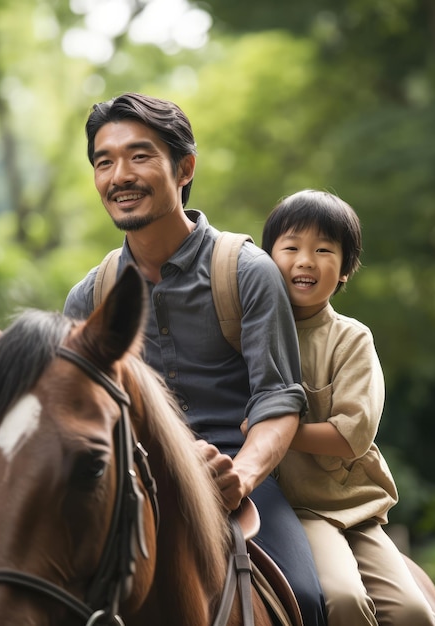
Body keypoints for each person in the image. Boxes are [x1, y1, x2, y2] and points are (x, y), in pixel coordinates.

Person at [63, 93, 327, 624]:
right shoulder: (88, 300)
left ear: (184, 168)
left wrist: (242, 475)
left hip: (239, 480)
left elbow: (278, 400)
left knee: (309, 597)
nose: (119, 175)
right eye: (104, 161)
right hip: (134, 489)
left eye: (140, 156)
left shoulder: (248, 271)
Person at [261, 189, 435, 626]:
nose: (306, 260)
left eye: (324, 250)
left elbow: (350, 436)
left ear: (344, 270)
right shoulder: (252, 330)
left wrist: (273, 430)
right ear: (266, 259)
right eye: (291, 247)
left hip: (355, 508)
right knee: (343, 599)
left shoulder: (352, 339)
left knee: (416, 612)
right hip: (296, 510)